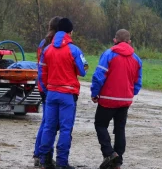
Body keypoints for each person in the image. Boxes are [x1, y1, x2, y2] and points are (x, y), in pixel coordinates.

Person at [38, 18, 88, 169]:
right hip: (68, 94)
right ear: (70, 32)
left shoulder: (47, 49)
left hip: (51, 93)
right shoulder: (74, 50)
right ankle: (61, 162)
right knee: (66, 129)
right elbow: (83, 71)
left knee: (49, 127)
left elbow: (42, 74)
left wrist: (47, 90)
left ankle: (44, 161)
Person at [90, 29, 142, 169]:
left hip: (107, 99)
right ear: (129, 42)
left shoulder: (108, 54)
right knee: (120, 129)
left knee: (100, 125)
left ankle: (109, 153)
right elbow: (138, 83)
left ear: (115, 40)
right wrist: (131, 93)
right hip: (125, 100)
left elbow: (99, 76)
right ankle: (117, 162)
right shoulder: (136, 59)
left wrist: (95, 93)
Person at [34, 16, 62, 168]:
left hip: (43, 85)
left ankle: (40, 154)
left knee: (47, 122)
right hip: (49, 86)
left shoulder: (43, 42)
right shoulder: (52, 44)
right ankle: (41, 155)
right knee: (48, 123)